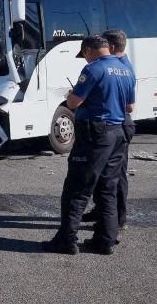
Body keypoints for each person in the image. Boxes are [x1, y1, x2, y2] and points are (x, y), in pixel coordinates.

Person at [43, 36, 135, 256]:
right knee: (108, 189)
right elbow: (130, 106)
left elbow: (74, 103)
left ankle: (66, 240)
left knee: (77, 188)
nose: (84, 59)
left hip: (95, 134)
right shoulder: (126, 70)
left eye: (84, 55)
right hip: (118, 132)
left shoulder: (93, 70)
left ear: (88, 50)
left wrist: (71, 96)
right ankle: (105, 240)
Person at [82, 30, 135, 229]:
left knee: (115, 175)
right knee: (107, 174)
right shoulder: (123, 66)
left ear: (111, 47)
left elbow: (129, 107)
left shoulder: (118, 67)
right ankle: (104, 213)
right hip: (119, 122)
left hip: (116, 123)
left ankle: (117, 218)